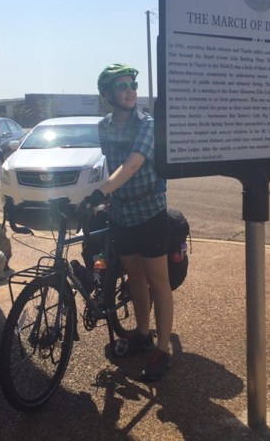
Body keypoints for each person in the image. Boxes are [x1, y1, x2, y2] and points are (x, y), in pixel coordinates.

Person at [84, 63, 173, 382]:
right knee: (135, 277)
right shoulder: (104, 126)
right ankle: (143, 334)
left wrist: (100, 192)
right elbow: (113, 165)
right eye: (121, 86)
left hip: (150, 212)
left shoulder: (147, 124)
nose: (130, 91)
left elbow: (132, 165)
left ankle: (162, 350)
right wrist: (105, 198)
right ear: (107, 94)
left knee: (158, 281)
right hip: (121, 214)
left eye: (132, 84)